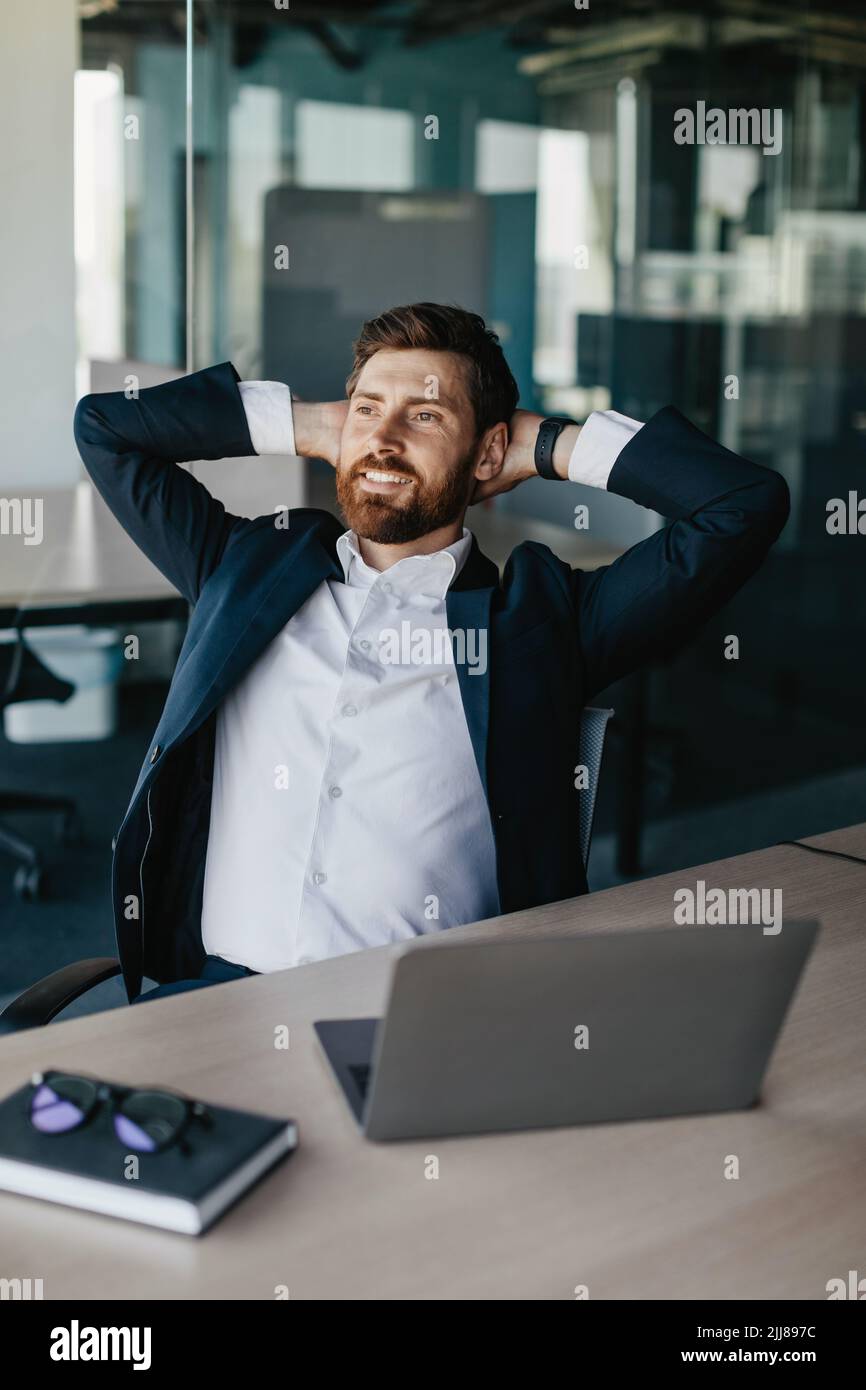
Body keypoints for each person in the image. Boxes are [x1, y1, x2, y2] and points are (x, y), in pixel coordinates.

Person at [73, 302, 789, 1004]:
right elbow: (104, 428)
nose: (383, 439)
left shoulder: (543, 624)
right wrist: (316, 424)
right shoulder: (240, 568)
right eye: (367, 410)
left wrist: (549, 447)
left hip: (426, 1017)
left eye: (424, 415)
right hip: (216, 997)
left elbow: (742, 504)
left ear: (486, 452)